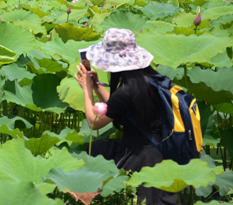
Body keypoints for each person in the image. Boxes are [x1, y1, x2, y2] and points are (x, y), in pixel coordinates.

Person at [74, 28, 180, 205]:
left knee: (95, 158)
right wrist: (96, 85)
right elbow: (118, 107)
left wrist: (86, 90)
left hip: (140, 156)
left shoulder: (128, 89)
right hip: (161, 149)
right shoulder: (151, 80)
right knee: (98, 148)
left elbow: (94, 122)